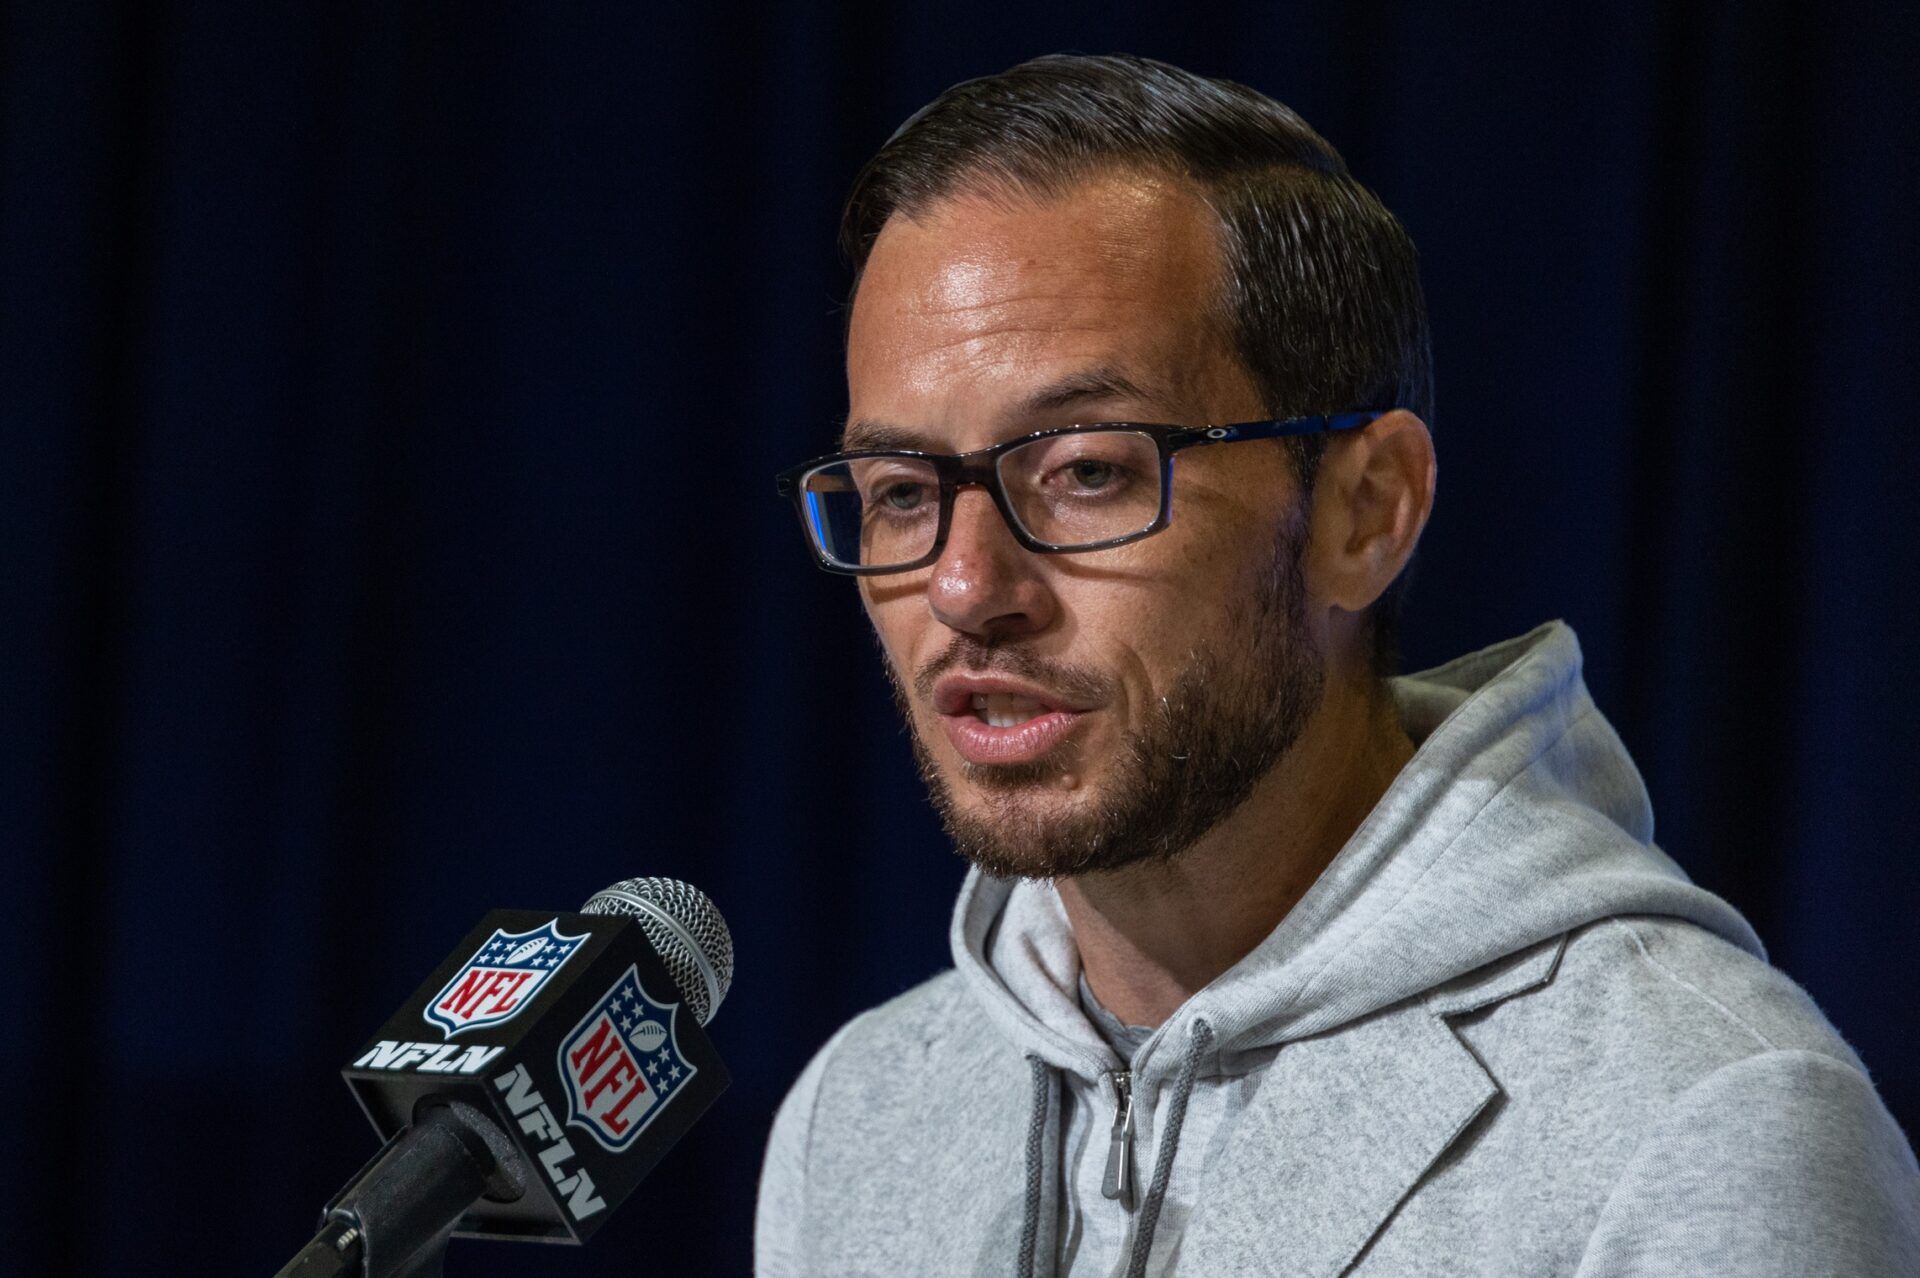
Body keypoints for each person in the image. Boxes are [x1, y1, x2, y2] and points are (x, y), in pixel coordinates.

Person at [754, 52, 1920, 1278]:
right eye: (899, 492)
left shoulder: (1702, 1121)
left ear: (1367, 511)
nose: (964, 588)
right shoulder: (860, 1112)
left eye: (1087, 470)